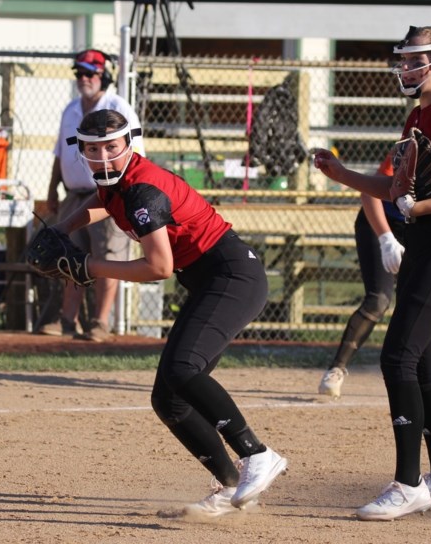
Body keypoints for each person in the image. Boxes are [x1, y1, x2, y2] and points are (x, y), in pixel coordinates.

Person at [49, 108, 288, 517]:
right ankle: (229, 489)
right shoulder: (120, 181)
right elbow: (103, 201)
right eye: (92, 149)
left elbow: (158, 268)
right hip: (210, 280)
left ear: (129, 144)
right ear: (80, 151)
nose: (104, 157)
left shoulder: (143, 189)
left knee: (182, 370)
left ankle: (258, 454)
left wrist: (91, 267)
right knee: (169, 400)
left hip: (232, 277)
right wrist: (62, 228)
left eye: (112, 147)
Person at [313, 25, 431, 521]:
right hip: (427, 242)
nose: (407, 68)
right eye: (404, 60)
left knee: (398, 358)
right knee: (420, 364)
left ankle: (409, 484)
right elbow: (393, 190)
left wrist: (421, 205)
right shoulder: (419, 114)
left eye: (417, 60)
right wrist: (341, 173)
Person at [318, 195, 431, 402]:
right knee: (379, 300)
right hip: (382, 221)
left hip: (420, 225)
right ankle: (337, 368)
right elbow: (370, 192)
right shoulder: (405, 160)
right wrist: (386, 238)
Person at [38, 49, 144, 342]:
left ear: (104, 77)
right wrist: (51, 191)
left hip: (109, 196)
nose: (83, 79)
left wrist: (124, 197)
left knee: (107, 255)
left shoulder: (118, 107)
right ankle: (66, 320)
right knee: (69, 257)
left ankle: (99, 322)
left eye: (90, 73)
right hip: (74, 194)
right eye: (80, 74)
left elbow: (136, 156)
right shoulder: (70, 109)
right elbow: (60, 155)